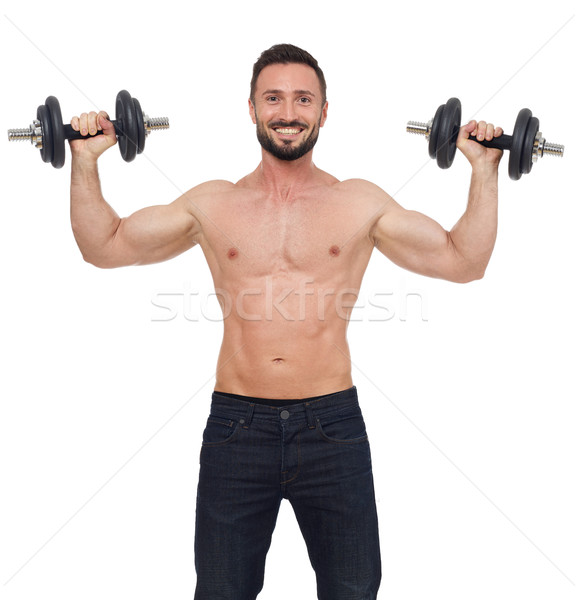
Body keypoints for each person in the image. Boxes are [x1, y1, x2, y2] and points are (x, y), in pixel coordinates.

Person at [69, 44, 503, 600]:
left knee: (353, 590)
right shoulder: (212, 203)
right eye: (273, 98)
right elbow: (103, 247)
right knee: (222, 591)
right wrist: (84, 161)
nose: (289, 112)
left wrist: (485, 170)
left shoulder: (359, 202)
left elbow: (464, 262)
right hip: (236, 428)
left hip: (332, 427)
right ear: (251, 108)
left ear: (324, 111)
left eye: (304, 99)